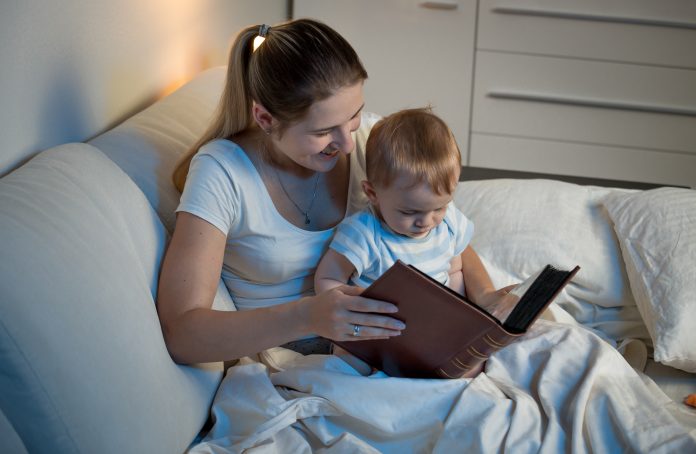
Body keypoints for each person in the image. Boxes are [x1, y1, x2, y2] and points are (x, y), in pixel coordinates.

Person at [157, 18, 511, 365]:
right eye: (324, 131)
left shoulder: (369, 141)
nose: (346, 144)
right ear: (265, 119)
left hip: (395, 341)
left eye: (354, 115)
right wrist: (308, 316)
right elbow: (181, 334)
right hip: (302, 356)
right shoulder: (222, 172)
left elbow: (441, 228)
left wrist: (485, 299)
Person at [315, 108, 511, 325]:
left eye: (439, 207)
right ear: (372, 193)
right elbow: (328, 279)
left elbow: (455, 270)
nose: (426, 222)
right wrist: (354, 312)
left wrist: (459, 314)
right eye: (409, 212)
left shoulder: (449, 222)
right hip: (380, 329)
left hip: (432, 329)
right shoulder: (364, 233)